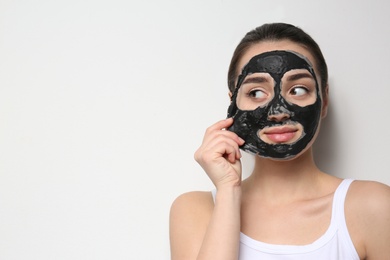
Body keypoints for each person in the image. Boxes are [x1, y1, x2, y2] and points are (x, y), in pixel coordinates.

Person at [169, 23, 390, 260]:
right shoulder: (195, 210)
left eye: (297, 90)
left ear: (324, 100)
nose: (277, 111)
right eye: (255, 93)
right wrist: (228, 192)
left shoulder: (373, 206)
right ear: (233, 105)